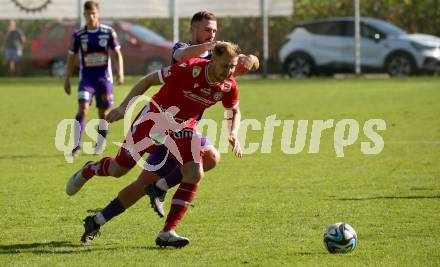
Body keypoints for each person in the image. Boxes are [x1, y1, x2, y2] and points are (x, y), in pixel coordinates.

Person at [68, 42, 243, 248]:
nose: (229, 72)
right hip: (152, 121)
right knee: (118, 169)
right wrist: (124, 106)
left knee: (195, 171)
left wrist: (233, 132)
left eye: (232, 67)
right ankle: (92, 168)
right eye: (225, 66)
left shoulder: (228, 86)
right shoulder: (189, 69)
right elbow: (149, 79)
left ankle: (167, 231)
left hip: (182, 129)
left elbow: (234, 111)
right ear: (213, 60)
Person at [144, 11, 259, 217]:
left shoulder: (219, 58)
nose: (212, 34)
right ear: (193, 28)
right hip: (162, 123)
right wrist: (209, 48)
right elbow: (181, 56)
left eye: (214, 30)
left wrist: (250, 60)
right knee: (127, 175)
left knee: (209, 159)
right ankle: (94, 178)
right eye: (207, 29)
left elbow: (249, 60)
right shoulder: (184, 49)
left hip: (186, 127)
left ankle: (160, 195)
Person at [64, 0, 124, 157]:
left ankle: (100, 143)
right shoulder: (78, 35)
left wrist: (120, 72)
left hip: (104, 79)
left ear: (98, 14)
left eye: (93, 13)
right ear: (84, 15)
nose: (91, 16)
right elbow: (71, 57)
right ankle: (76, 146)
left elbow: (117, 53)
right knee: (83, 109)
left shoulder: (108, 32)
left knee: (103, 114)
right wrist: (67, 78)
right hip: (87, 80)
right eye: (88, 14)